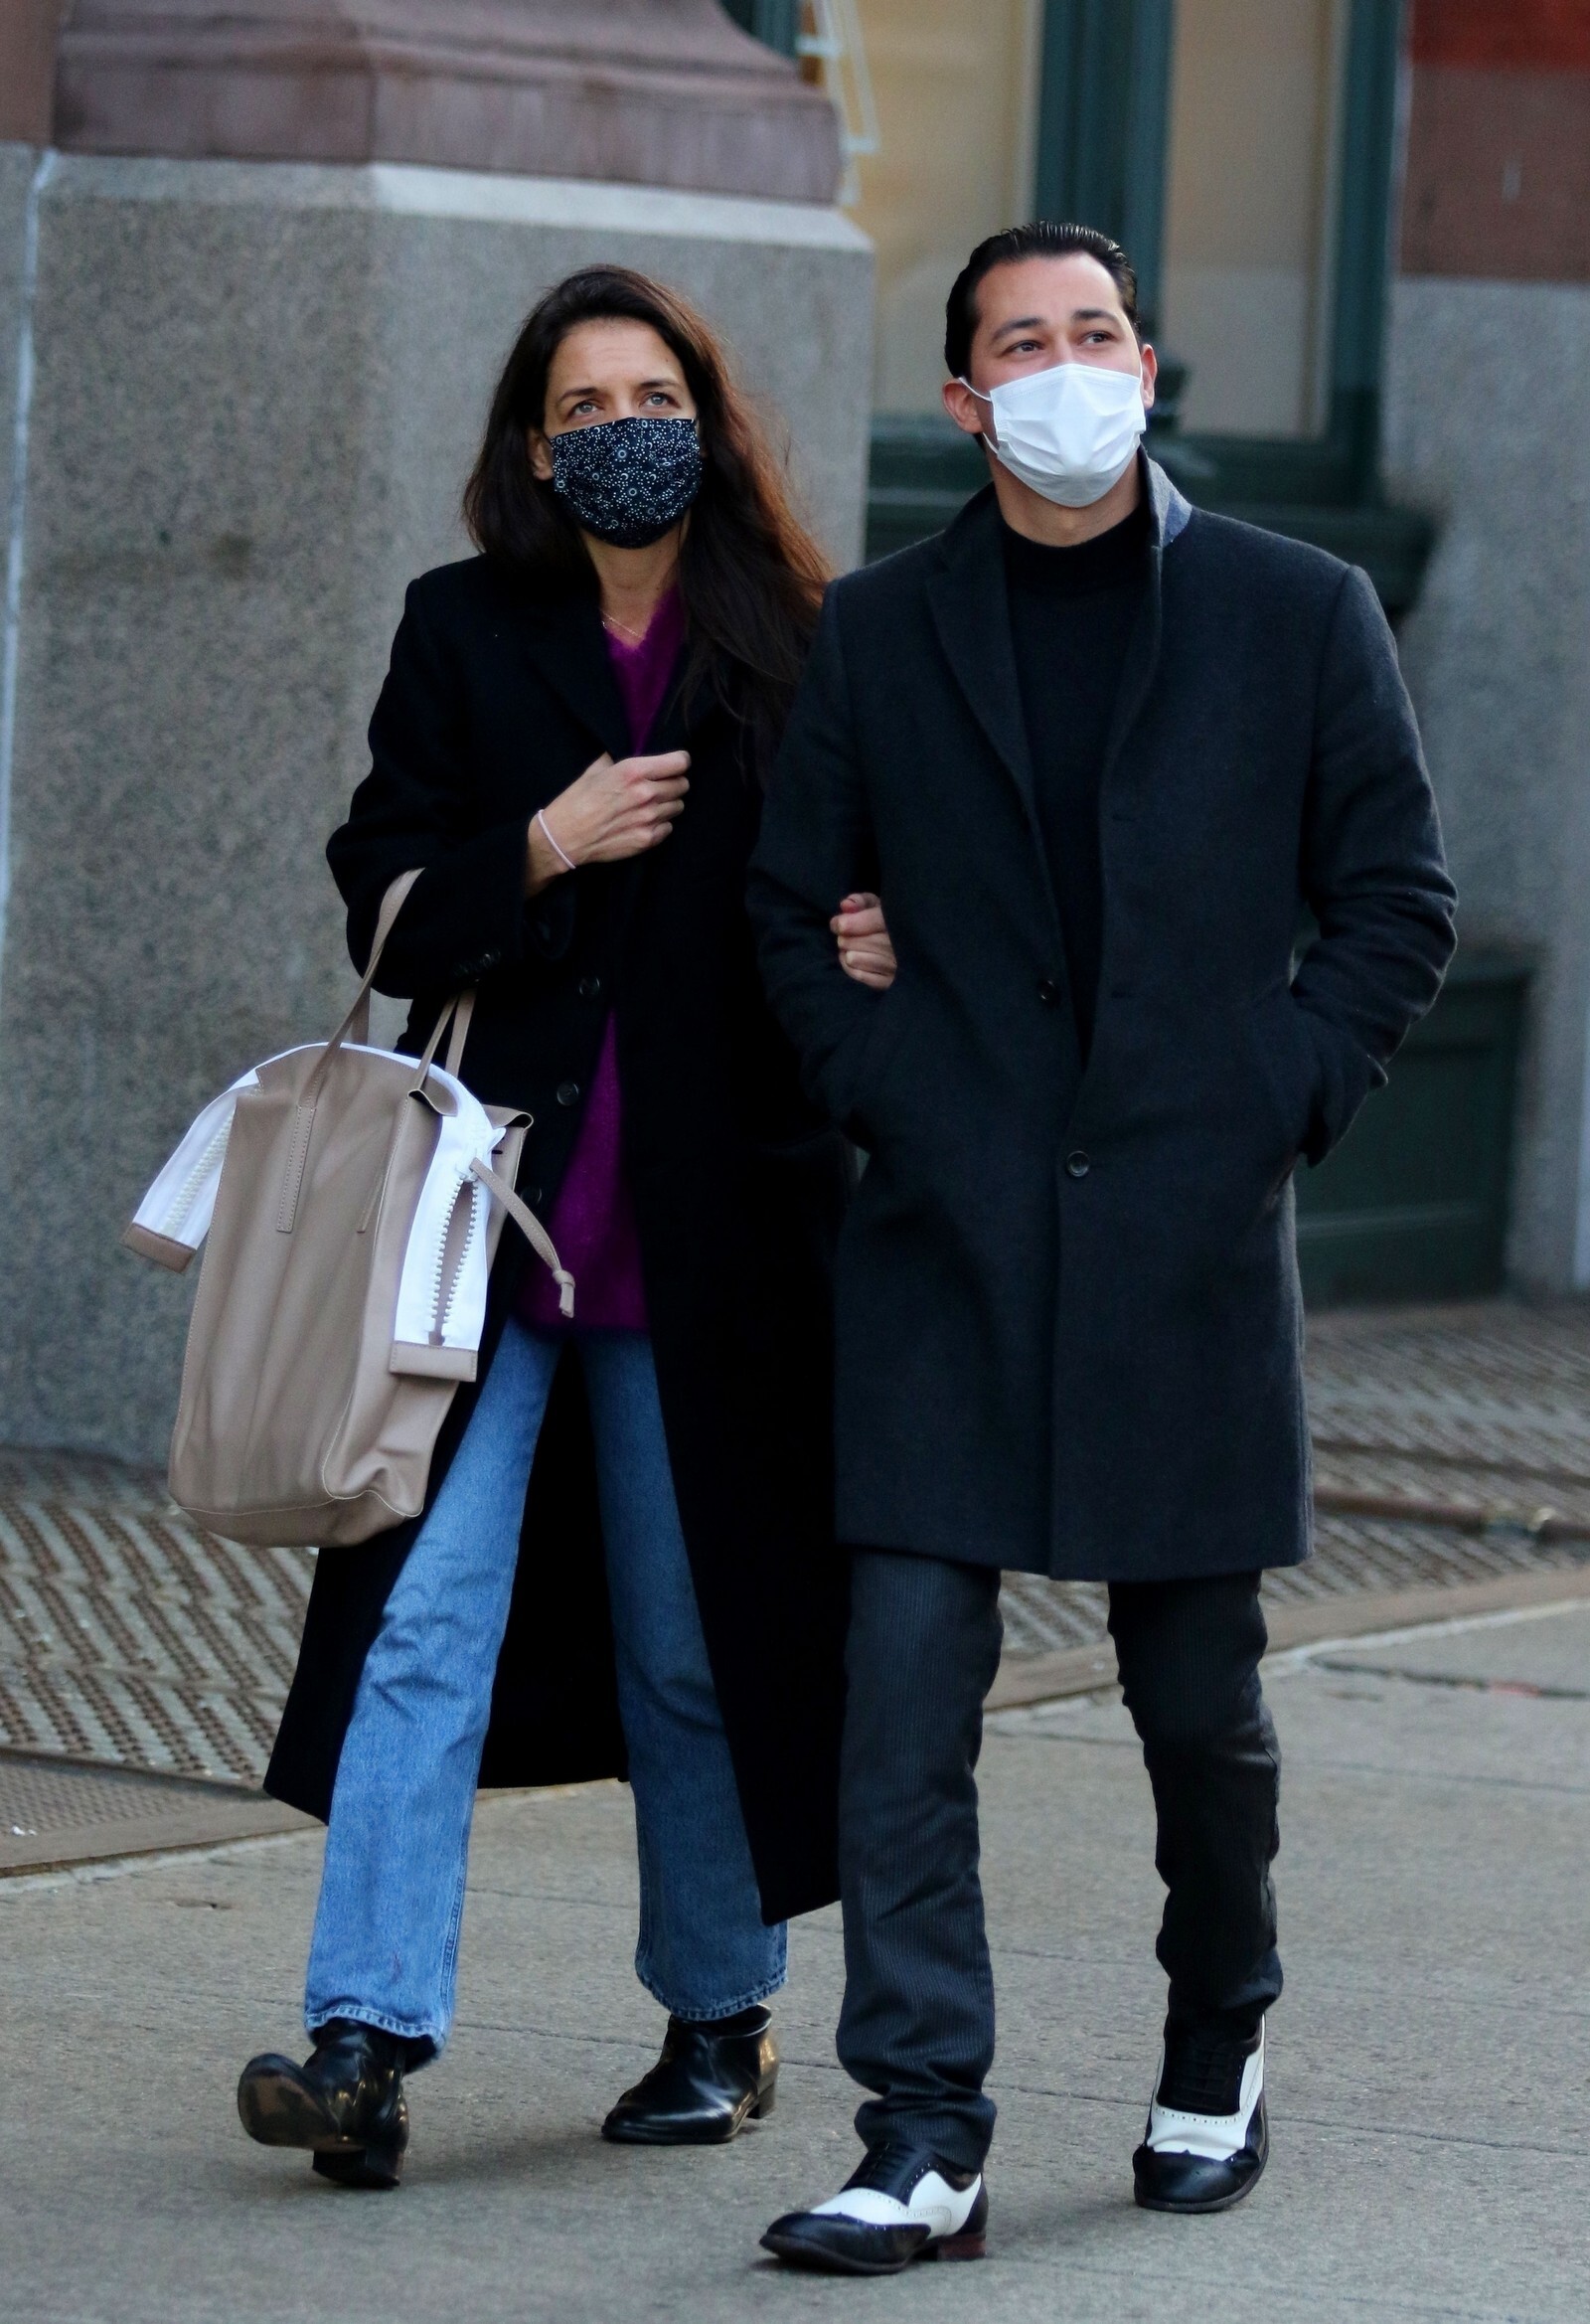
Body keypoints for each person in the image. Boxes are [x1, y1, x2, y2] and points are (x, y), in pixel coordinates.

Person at [747, 220, 1457, 2272]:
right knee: (899, 1700)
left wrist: (1271, 1095)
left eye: (1097, 331)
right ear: (962, 400)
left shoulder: (1296, 608)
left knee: (1196, 1709)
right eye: (1020, 342)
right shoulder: (881, 627)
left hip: (1183, 1249)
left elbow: (1395, 900)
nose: (1066, 365)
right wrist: (887, 1081)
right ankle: (920, 2126)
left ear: (1144, 365)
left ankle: (1216, 2038)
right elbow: (790, 903)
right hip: (942, 1243)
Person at [236, 265, 862, 2190]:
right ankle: (362, 2035)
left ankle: (718, 2010)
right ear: (532, 446)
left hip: (708, 1240)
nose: (620, 432)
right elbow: (378, 891)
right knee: (418, 1625)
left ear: (707, 419)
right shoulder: (462, 627)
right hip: (480, 1236)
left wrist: (873, 937)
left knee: (689, 1643)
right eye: (581, 407)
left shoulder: (794, 641)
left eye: (650, 397)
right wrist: (535, 845)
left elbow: (858, 886)